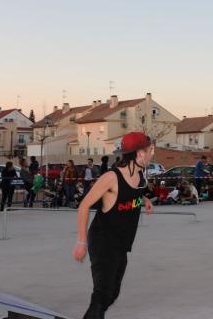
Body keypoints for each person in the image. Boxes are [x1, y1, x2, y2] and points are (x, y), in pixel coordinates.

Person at [73, 132, 154, 319]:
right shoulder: (111, 177)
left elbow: (131, 193)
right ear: (139, 153)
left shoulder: (140, 175)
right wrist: (81, 242)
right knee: (102, 294)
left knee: (112, 293)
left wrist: (144, 199)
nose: (152, 154)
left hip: (121, 242)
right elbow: (84, 205)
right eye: (150, 150)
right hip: (103, 241)